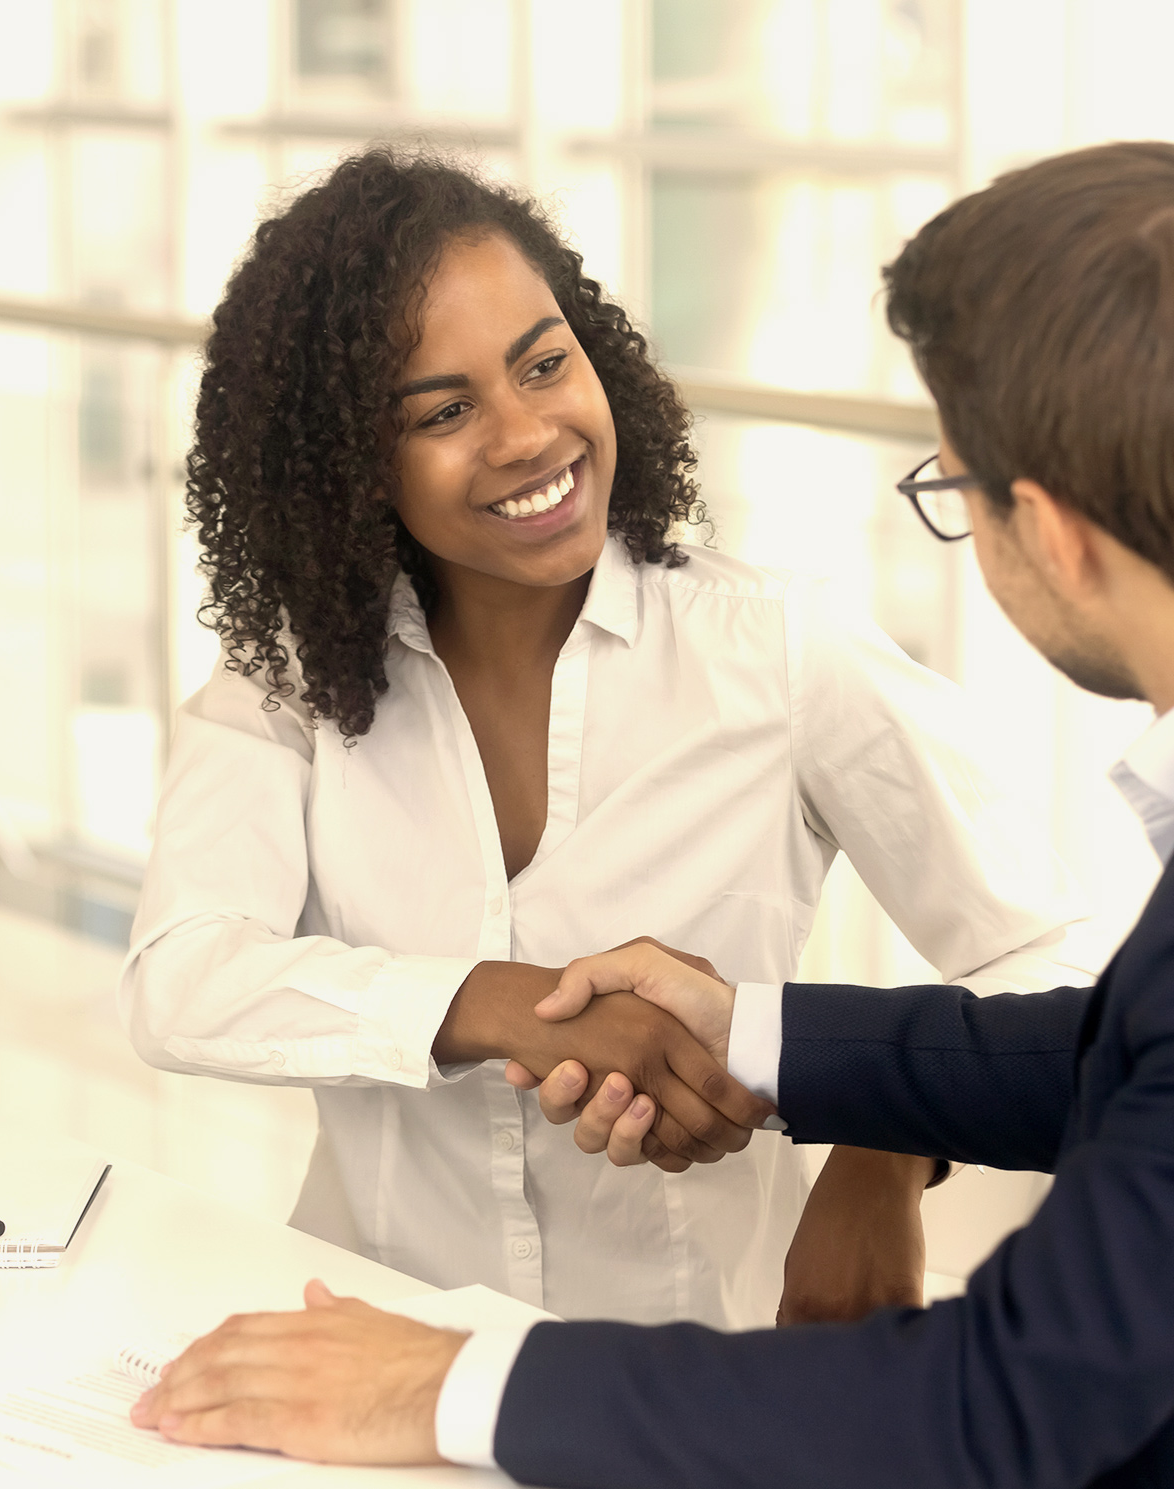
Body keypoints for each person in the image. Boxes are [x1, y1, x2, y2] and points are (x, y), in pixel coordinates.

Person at [132, 140, 1174, 1486]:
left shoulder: (776, 651)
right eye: (439, 410)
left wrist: (879, 1154)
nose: (522, 433)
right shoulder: (289, 680)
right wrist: (494, 999)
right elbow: (183, 981)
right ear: (345, 463)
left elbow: (1061, 973)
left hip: (703, 1397)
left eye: (545, 361)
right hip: (360, 1353)